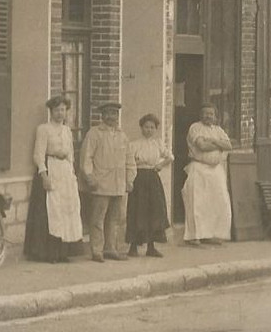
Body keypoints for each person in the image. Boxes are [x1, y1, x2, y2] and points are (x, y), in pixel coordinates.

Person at [23, 95, 83, 264]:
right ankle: (49, 253)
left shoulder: (67, 130)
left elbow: (71, 153)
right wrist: (44, 176)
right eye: (56, 110)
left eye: (63, 110)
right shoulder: (44, 129)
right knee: (51, 211)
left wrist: (72, 174)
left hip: (65, 172)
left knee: (66, 209)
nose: (59, 113)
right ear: (51, 111)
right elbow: (38, 154)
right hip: (51, 168)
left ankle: (63, 252)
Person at [80, 101, 136, 263]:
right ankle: (97, 250)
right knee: (98, 218)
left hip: (119, 183)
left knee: (115, 218)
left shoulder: (122, 135)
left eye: (115, 114)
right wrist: (90, 177)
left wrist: (130, 179)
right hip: (100, 183)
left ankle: (111, 248)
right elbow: (86, 157)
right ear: (102, 116)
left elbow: (129, 159)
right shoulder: (94, 133)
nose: (112, 117)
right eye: (109, 113)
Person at [182, 103, 232, 247]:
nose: (208, 116)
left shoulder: (218, 130)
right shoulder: (195, 127)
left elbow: (229, 145)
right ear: (200, 115)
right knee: (197, 203)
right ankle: (194, 237)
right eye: (205, 113)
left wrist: (214, 141)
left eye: (211, 114)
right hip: (199, 167)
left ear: (215, 116)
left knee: (217, 202)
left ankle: (209, 234)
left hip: (216, 169)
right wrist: (219, 145)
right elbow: (201, 146)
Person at [126, 114, 172, 258]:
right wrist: (130, 180)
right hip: (138, 179)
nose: (149, 130)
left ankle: (151, 247)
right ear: (141, 127)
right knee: (137, 211)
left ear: (155, 129)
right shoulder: (134, 144)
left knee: (154, 212)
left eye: (152, 127)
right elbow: (129, 162)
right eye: (146, 127)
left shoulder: (158, 143)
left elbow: (170, 156)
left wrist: (160, 165)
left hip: (153, 179)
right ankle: (133, 247)